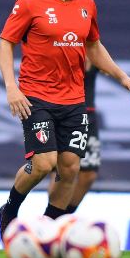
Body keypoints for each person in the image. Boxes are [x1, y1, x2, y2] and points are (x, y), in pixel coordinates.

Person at [0, 0, 130, 238]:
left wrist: (120, 76)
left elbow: (94, 46)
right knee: (43, 163)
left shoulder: (87, 4)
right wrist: (12, 88)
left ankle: (48, 232)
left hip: (75, 100)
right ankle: (10, 209)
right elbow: (5, 43)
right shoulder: (29, 2)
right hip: (36, 96)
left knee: (70, 168)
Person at [45, 59, 100, 218]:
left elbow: (107, 66)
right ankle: (51, 219)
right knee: (62, 171)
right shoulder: (63, 46)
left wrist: (122, 77)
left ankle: (61, 218)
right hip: (64, 113)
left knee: (88, 174)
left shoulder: (94, 47)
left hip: (88, 116)